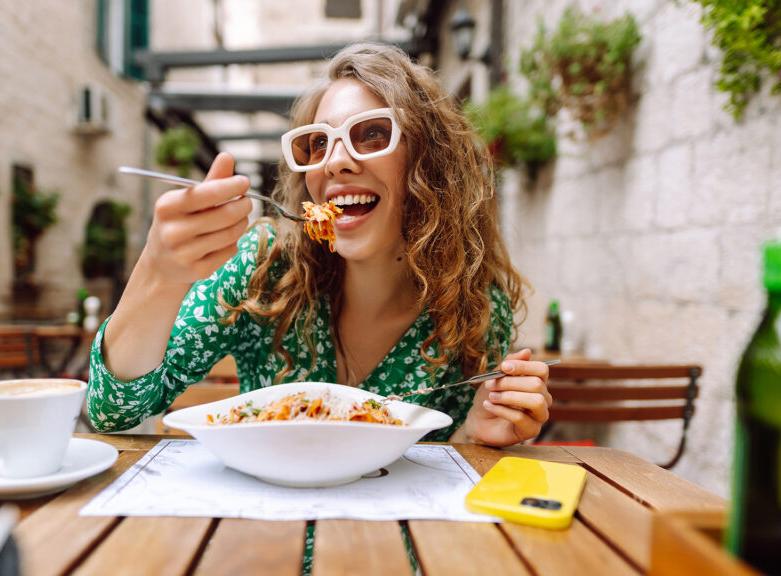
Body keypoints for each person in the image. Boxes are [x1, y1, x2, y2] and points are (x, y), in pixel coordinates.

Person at [86, 42, 552, 447]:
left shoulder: (474, 310)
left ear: (430, 164)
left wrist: (477, 432)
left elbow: (448, 466)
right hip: (266, 537)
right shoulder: (265, 267)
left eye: (372, 133)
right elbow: (112, 413)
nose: (335, 162)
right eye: (316, 143)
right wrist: (158, 273)